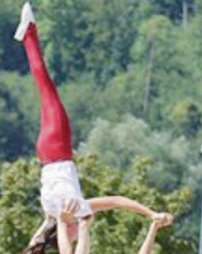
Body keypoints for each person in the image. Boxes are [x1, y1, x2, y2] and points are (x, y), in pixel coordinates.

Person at [15, 3, 170, 229]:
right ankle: (28, 35)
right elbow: (36, 242)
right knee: (46, 92)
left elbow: (116, 201)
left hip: (58, 149)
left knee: (47, 89)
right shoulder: (52, 213)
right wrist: (149, 213)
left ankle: (29, 34)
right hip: (46, 156)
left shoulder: (78, 208)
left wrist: (151, 213)